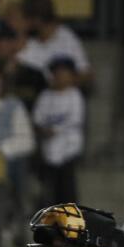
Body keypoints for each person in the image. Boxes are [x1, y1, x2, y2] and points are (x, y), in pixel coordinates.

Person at [33, 57, 84, 205]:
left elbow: (75, 120)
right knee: (48, 188)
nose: (60, 76)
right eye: (57, 73)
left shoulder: (75, 95)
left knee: (67, 188)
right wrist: (44, 129)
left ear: (72, 76)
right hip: (48, 147)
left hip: (68, 148)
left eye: (64, 73)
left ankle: (70, 220)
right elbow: (37, 119)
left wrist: (54, 129)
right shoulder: (45, 96)